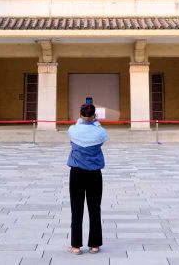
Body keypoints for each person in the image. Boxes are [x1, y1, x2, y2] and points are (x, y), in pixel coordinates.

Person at [67, 103, 108, 255]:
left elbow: (75, 129)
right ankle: (95, 245)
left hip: (77, 172)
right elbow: (102, 138)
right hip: (94, 173)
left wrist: (82, 121)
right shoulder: (100, 132)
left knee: (76, 209)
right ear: (94, 116)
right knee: (94, 208)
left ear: (80, 115)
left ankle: (76, 246)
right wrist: (94, 123)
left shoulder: (73, 129)